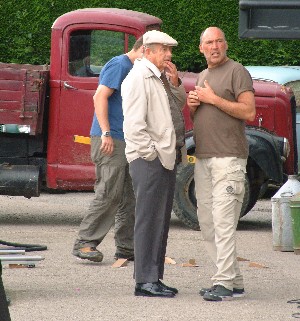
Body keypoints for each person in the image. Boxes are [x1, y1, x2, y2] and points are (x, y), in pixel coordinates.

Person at [187, 27, 256, 302]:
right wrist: (194, 105)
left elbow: (248, 111)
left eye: (218, 41)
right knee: (208, 223)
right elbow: (206, 117)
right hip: (204, 158)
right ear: (201, 48)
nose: (214, 46)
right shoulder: (203, 76)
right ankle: (233, 281)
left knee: (224, 222)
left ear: (225, 45)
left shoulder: (236, 71)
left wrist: (212, 99)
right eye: (208, 43)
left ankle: (224, 282)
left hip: (229, 158)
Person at [121, 30, 186, 298]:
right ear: (148, 51)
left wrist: (174, 80)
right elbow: (133, 125)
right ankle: (145, 281)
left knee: (159, 221)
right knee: (149, 220)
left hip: (163, 157)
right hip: (151, 159)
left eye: (169, 49)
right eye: (163, 50)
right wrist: (152, 153)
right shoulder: (138, 77)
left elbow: (178, 104)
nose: (168, 54)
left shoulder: (157, 76)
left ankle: (154, 278)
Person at [72, 37, 144, 262]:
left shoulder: (134, 68)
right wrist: (106, 132)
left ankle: (126, 248)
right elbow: (99, 96)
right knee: (109, 193)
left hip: (127, 140)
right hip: (111, 139)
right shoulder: (120, 65)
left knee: (129, 196)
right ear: (143, 49)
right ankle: (85, 243)